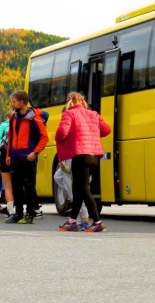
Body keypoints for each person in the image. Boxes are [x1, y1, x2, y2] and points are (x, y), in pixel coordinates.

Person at [56, 92, 110, 232]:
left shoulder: (69, 113)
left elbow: (62, 132)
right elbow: (106, 130)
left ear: (69, 101)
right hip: (94, 156)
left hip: (80, 155)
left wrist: (58, 137)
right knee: (78, 189)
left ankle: (98, 222)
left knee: (84, 190)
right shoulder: (93, 114)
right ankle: (72, 221)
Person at [4, 90, 48, 225]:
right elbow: (10, 136)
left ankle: (30, 214)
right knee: (16, 186)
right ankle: (18, 213)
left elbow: (44, 137)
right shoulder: (13, 117)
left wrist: (35, 152)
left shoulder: (34, 118)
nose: (12, 104)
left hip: (29, 156)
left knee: (29, 186)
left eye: (14, 102)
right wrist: (9, 154)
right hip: (16, 156)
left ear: (21, 102)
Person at [53, 159, 90, 227]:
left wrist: (63, 167)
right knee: (76, 200)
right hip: (77, 181)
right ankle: (79, 222)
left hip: (78, 182)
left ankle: (85, 221)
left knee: (78, 201)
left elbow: (69, 170)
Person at [0, 111, 16, 217]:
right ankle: (19, 209)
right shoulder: (19, 123)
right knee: (17, 184)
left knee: (7, 186)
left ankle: (10, 210)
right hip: (17, 155)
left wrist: (2, 143)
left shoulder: (3, 125)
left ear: (7, 117)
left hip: (4, 156)